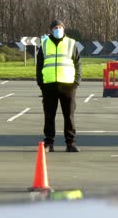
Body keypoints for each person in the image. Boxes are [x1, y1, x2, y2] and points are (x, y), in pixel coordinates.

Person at [36, 20, 81, 152]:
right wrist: (41, 83)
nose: (58, 29)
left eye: (60, 27)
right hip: (49, 86)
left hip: (68, 85)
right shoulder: (44, 44)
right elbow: (39, 66)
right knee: (49, 116)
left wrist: (76, 82)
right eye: (56, 27)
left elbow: (77, 64)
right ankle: (49, 143)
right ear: (51, 30)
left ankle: (70, 143)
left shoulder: (71, 43)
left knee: (69, 116)